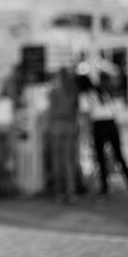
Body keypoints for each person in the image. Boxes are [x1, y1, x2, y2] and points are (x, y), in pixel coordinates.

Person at [79, 75, 128, 202]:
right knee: (120, 156)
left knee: (100, 158)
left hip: (99, 125)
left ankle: (104, 190)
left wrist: (85, 134)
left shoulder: (85, 95)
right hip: (111, 124)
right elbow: (112, 109)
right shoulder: (100, 90)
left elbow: (86, 117)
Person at [44, 67, 81, 204]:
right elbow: (76, 112)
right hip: (70, 126)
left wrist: (48, 127)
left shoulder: (55, 91)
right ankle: (71, 191)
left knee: (57, 161)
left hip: (57, 125)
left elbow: (51, 111)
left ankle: (59, 191)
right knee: (69, 161)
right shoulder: (73, 91)